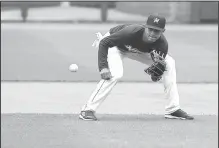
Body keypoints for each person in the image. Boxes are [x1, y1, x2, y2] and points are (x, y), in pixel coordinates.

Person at [79, 14, 194, 121]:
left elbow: (156, 75)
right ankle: (87, 109)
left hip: (137, 50)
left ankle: (172, 109)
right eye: (151, 29)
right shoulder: (130, 32)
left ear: (163, 31)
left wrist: (157, 74)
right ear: (145, 27)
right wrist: (103, 68)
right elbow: (104, 43)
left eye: (157, 31)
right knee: (116, 74)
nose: (153, 33)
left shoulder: (162, 45)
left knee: (169, 62)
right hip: (115, 45)